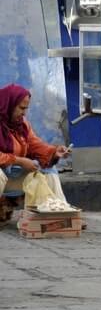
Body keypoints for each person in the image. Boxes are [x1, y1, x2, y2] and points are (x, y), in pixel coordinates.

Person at [0, 84, 71, 221]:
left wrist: (54, 151)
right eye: (21, 108)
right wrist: (19, 161)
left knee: (48, 170)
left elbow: (34, 144)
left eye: (26, 108)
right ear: (9, 104)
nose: (24, 113)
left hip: (11, 177)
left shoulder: (22, 125)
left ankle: (60, 214)